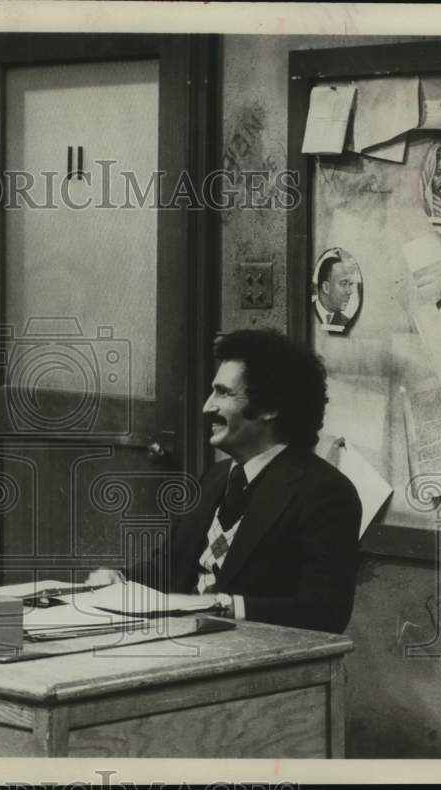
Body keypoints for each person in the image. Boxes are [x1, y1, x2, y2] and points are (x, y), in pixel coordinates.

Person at [89, 329, 361, 633]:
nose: (207, 407)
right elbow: (168, 569)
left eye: (223, 393)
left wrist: (227, 607)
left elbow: (326, 610)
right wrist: (121, 579)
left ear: (269, 407)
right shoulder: (214, 479)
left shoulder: (325, 493)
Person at [313, 253, 356, 331]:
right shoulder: (304, 313)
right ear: (326, 287)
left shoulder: (345, 322)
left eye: (350, 284)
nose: (350, 291)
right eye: (343, 283)